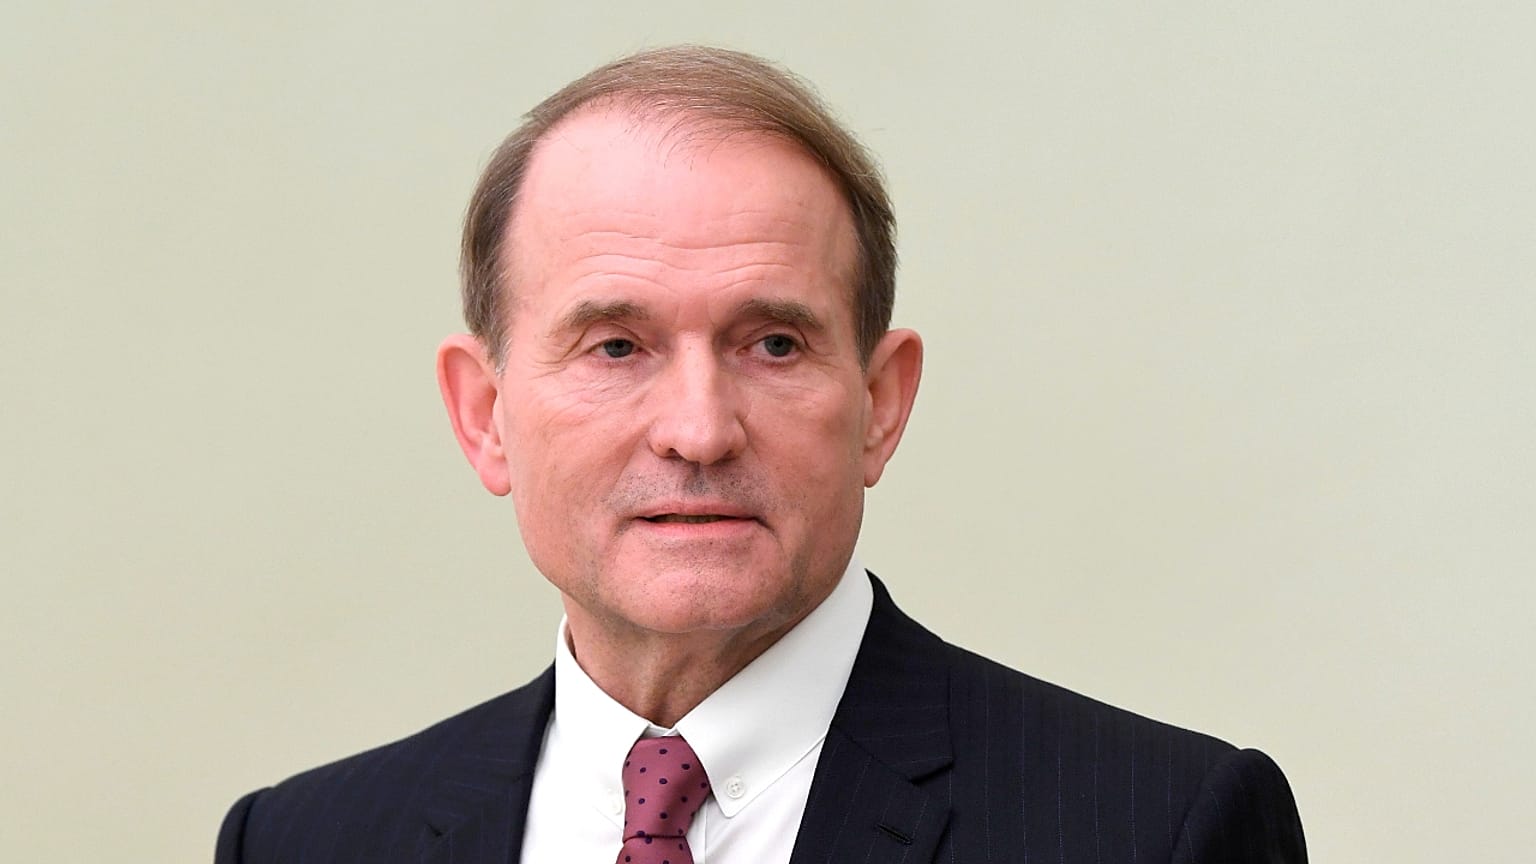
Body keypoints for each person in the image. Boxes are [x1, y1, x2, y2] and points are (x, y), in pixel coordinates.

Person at [216, 45, 1306, 864]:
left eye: (773, 343)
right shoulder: (303, 843)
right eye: (616, 345)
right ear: (484, 416)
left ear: (880, 404)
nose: (699, 430)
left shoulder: (1158, 829)